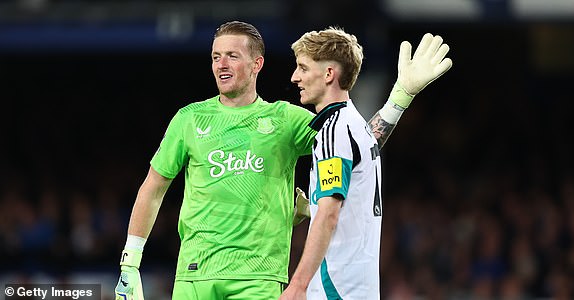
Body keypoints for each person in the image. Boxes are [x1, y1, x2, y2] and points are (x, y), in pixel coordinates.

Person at [114, 20, 451, 300]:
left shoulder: (286, 120)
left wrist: (399, 97)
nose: (221, 64)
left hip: (259, 279)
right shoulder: (189, 119)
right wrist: (130, 262)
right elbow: (153, 188)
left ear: (256, 64)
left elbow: (359, 144)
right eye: (216, 56)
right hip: (193, 275)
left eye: (232, 56)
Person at [279, 28, 452, 300]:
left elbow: (329, 214)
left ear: (328, 74)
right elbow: (366, 148)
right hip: (358, 287)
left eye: (302, 67)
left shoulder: (332, 132)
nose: (295, 77)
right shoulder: (353, 123)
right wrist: (401, 96)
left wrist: (298, 285)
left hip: (333, 287)